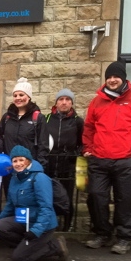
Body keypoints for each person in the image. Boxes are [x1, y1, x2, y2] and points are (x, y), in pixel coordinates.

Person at [82, 61, 131, 255]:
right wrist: (88, 147)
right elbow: (89, 127)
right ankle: (102, 234)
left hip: (127, 159)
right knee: (97, 197)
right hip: (99, 158)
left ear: (123, 78)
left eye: (116, 77)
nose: (112, 80)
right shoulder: (97, 101)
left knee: (125, 199)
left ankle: (124, 237)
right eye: (109, 77)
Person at [0, 145, 69, 261]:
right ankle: (28, 246)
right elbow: (10, 205)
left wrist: (36, 230)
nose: (18, 164)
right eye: (15, 161)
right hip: (24, 221)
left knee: (19, 258)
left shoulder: (40, 178)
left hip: (43, 226)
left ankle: (55, 246)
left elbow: (46, 207)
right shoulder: (15, 178)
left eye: (21, 160)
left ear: (28, 160)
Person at [0, 77, 49, 198]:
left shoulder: (38, 118)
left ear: (29, 97)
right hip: (10, 167)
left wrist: (40, 167)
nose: (18, 98)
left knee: (27, 200)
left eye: (21, 94)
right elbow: (0, 135)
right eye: (15, 95)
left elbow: (43, 144)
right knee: (12, 199)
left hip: (29, 168)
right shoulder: (7, 117)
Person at [44, 89, 84, 231]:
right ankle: (51, 225)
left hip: (68, 166)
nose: (64, 102)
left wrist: (74, 154)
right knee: (48, 197)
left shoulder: (78, 122)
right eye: (61, 99)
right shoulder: (47, 119)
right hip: (49, 164)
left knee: (67, 198)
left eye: (68, 99)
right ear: (56, 102)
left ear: (72, 103)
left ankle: (67, 227)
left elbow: (83, 142)